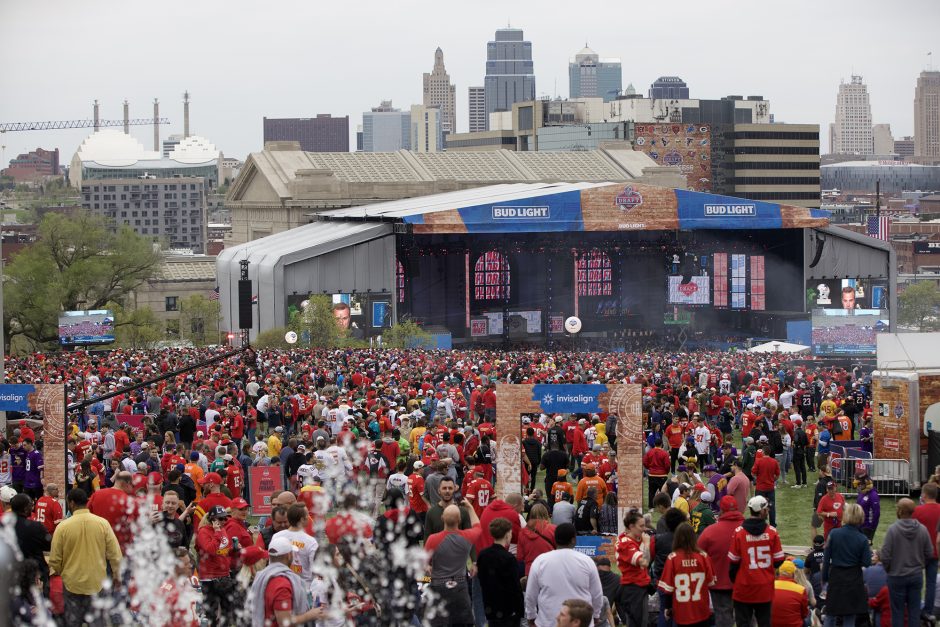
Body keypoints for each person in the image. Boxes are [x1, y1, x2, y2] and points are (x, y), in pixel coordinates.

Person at [47, 488, 122, 627]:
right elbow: (115, 554)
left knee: (73, 622)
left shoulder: (63, 527)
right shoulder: (102, 524)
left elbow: (55, 558)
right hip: (97, 582)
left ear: (71, 503)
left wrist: (57, 571)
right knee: (98, 622)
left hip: (72, 583)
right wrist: (117, 576)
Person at [525, 523, 604, 627]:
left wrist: (531, 616)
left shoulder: (541, 561)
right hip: (579, 621)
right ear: (573, 539)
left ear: (555, 539)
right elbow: (597, 594)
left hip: (548, 621)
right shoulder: (586, 561)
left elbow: (530, 594)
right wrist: (596, 615)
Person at [728, 495, 785, 627]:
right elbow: (778, 561)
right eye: (766, 509)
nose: (768, 511)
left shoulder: (739, 532)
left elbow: (733, 563)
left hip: (744, 587)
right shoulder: (772, 532)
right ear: (761, 511)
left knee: (743, 624)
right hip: (765, 588)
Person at [247, 535, 325, 627]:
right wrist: (310, 615)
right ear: (289, 555)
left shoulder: (263, 576)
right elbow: (284, 622)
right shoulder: (281, 584)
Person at [880, 497, 935, 627]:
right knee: (914, 612)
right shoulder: (922, 529)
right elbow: (929, 553)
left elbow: (885, 555)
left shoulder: (893, 530)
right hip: (915, 575)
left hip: (896, 575)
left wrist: (890, 569)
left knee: (897, 612)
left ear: (899, 511)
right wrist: (920, 565)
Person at [425, 502, 481, 627]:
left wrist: (427, 566)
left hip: (438, 586)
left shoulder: (433, 539)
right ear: (459, 520)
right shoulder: (467, 537)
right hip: (459, 586)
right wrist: (470, 508)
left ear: (442, 518)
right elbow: (478, 526)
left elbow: (424, 562)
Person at [821, 503, 871, 627]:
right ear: (860, 517)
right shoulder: (862, 539)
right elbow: (867, 562)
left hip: (836, 577)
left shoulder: (834, 534)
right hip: (854, 579)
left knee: (830, 614)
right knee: (850, 617)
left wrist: (825, 579)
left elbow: (826, 559)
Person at [657, 521, 716, 626]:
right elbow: (711, 583)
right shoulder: (704, 557)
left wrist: (667, 607)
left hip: (681, 612)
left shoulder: (672, 558)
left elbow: (668, 590)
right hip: (701, 610)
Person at [698, 495, 745, 627]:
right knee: (746, 617)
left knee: (723, 619)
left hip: (719, 584)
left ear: (721, 510)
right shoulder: (748, 529)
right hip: (745, 583)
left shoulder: (709, 532)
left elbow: (697, 556)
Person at [477, 517, 525, 627]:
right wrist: (520, 610)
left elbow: (482, 580)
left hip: (490, 607)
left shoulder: (483, 555)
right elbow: (515, 587)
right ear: (507, 534)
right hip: (508, 610)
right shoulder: (508, 558)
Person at [196, 504, 239, 623]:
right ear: (212, 519)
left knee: (227, 612)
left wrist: (233, 549)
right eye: (220, 518)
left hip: (224, 575)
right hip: (209, 578)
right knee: (211, 615)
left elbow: (223, 551)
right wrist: (217, 532)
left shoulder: (222, 529)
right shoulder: (203, 532)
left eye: (225, 518)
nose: (224, 521)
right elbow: (210, 550)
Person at [616, 510, 651, 627]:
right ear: (631, 526)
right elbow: (645, 562)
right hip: (634, 589)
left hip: (639, 586)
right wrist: (647, 544)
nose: (643, 529)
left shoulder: (634, 538)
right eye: (641, 526)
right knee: (639, 623)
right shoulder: (626, 544)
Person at [270, 502, 319, 584]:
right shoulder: (311, 541)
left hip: (280, 584)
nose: (308, 517)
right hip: (303, 588)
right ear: (302, 519)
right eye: (307, 515)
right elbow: (316, 570)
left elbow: (271, 564)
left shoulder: (276, 536)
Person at [913, 481, 940, 619]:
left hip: (918, 553)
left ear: (924, 495)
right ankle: (928, 612)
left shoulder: (917, 511)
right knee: (931, 583)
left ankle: (916, 609)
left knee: (916, 584)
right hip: (935, 552)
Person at [518, 503, 556, 576]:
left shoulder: (523, 532)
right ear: (546, 514)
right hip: (549, 569)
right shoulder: (553, 529)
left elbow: (520, 556)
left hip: (531, 571)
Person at [771, 560, 809, 627]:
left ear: (779, 572)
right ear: (793, 573)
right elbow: (804, 614)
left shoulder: (770, 586)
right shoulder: (801, 590)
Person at [752, 445, 780, 526]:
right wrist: (772, 480)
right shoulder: (774, 461)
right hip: (770, 487)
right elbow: (777, 475)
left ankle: (759, 523)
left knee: (759, 506)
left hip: (760, 488)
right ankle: (772, 524)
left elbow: (753, 473)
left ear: (763, 452)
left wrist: (757, 478)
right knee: (771, 506)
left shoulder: (758, 461)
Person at [855, 471, 880, 542]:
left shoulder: (873, 495)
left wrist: (872, 527)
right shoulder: (861, 493)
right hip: (859, 525)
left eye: (859, 484)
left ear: (864, 483)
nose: (858, 486)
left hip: (867, 527)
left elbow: (876, 513)